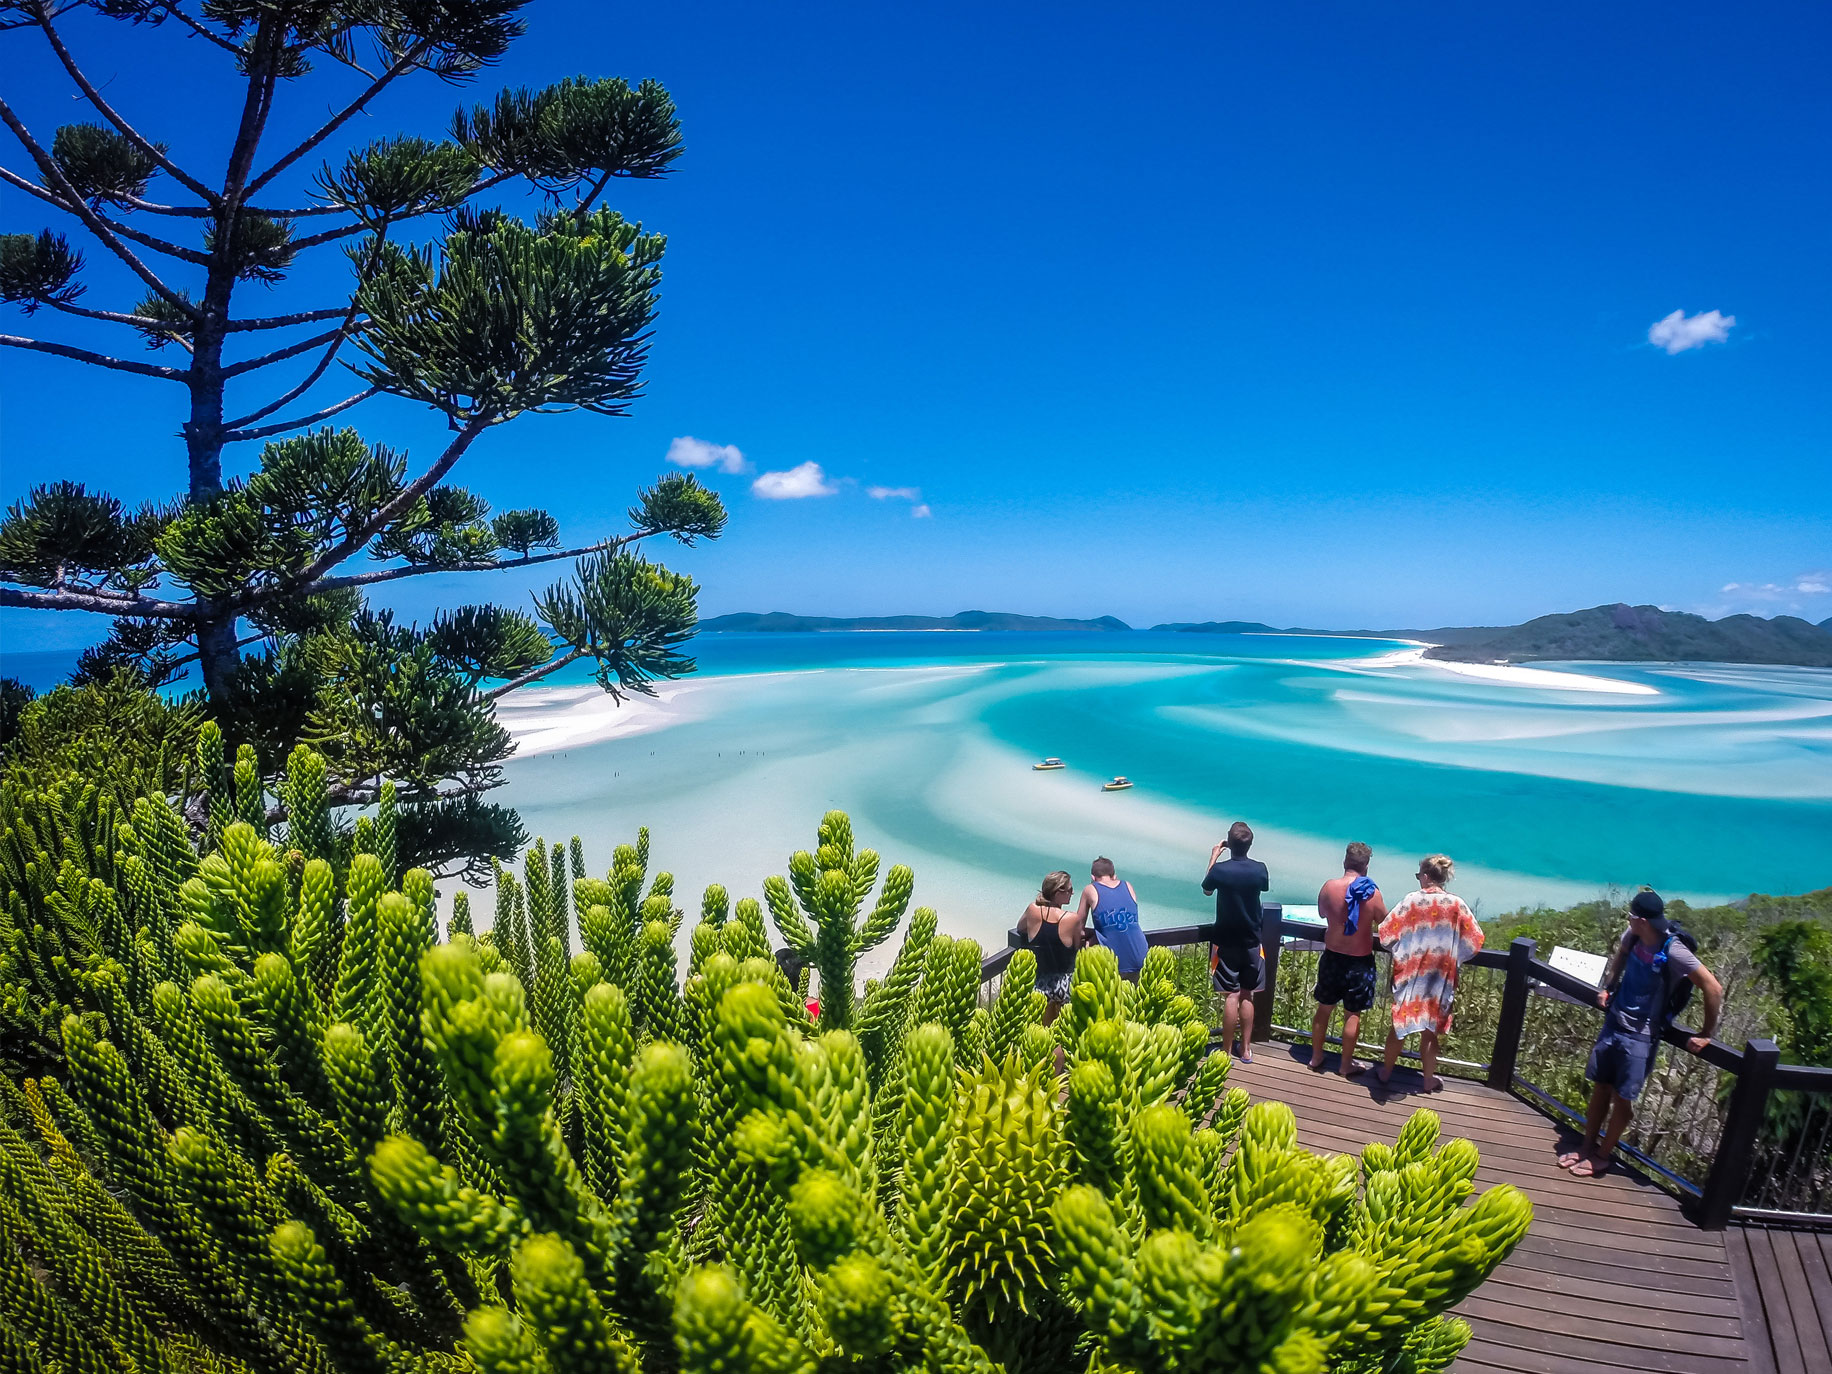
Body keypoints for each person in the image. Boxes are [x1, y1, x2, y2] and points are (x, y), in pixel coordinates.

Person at [1561, 889, 1722, 1179]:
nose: (1628, 921)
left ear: (1642, 921)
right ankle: (1586, 1147)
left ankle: (1601, 1156)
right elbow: (1621, 954)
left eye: (1631, 917)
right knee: (1600, 1087)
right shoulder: (1633, 936)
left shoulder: (1674, 950)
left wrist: (1706, 1032)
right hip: (1615, 1022)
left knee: (1623, 1098)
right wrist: (1609, 986)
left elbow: (1713, 987)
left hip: (1642, 1036)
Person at [1376, 854, 1484, 1092]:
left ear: (1425, 876)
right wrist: (1453, 955)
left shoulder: (1412, 901)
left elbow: (1385, 934)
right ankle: (1427, 1080)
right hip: (1439, 979)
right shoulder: (1457, 905)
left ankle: (1385, 1073)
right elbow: (1476, 940)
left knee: (1400, 1025)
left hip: (1411, 975)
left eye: (1418, 876)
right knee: (1430, 1031)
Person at [1310, 842, 1387, 1077]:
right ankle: (1345, 1065)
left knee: (1324, 1009)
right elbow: (1385, 923)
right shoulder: (1372, 894)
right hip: (1359, 960)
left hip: (1333, 955)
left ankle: (1316, 1057)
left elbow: (1323, 913)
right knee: (1352, 1013)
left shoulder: (1329, 887)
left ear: (1345, 862)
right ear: (1366, 866)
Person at [1202, 821, 1270, 1061]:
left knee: (1231, 996)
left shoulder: (1220, 871)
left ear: (1228, 844)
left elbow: (1207, 890)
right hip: (1252, 940)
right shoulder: (1260, 869)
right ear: (1250, 844)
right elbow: (1263, 887)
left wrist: (1213, 857)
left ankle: (1227, 1050)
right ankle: (1246, 1049)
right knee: (1247, 994)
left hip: (1225, 940)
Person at [1017, 869, 1083, 1022]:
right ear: (1058, 892)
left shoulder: (1033, 909)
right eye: (1070, 890)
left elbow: (1020, 927)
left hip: (1039, 984)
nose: (1072, 894)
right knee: (1063, 1033)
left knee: (1038, 1030)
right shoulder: (1072, 918)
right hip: (1065, 985)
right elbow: (1076, 946)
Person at [1078, 857, 1147, 981]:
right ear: (1114, 876)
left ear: (1093, 878)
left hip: (1112, 961)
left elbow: (1078, 927)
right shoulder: (1128, 885)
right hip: (1141, 957)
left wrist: (1094, 934)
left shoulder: (1090, 889)